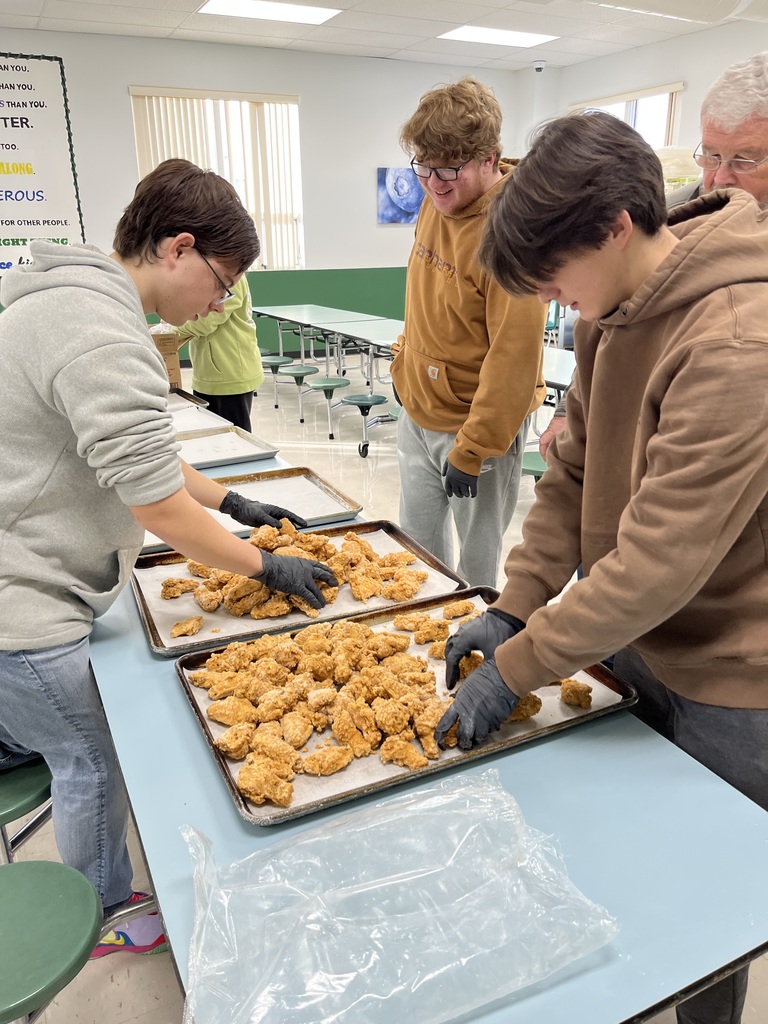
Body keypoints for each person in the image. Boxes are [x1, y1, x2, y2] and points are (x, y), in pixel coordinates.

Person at [435, 110, 768, 1024]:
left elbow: (659, 562)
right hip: (630, 637)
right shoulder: (610, 309)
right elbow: (570, 473)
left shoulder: (738, 339)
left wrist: (515, 667)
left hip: (731, 679)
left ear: (616, 226)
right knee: (610, 851)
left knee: (707, 903)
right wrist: (513, 606)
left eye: (553, 278)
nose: (552, 300)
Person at [0, 159, 336, 958]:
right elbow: (155, 507)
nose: (219, 304)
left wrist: (234, 501)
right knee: (90, 759)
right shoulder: (96, 330)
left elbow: (132, 459)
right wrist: (263, 565)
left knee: (74, 742)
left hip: (26, 576)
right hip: (24, 602)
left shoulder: (74, 300)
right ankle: (103, 915)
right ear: (178, 249)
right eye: (223, 284)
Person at [538, 49, 768, 459]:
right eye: (711, 154)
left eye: (745, 160)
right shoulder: (665, 217)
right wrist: (566, 410)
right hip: (639, 431)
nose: (719, 178)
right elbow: (606, 317)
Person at [390, 76, 547, 588]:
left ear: (489, 159)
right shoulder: (435, 202)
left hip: (475, 427)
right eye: (425, 167)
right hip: (418, 409)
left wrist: (475, 447)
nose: (434, 183)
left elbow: (514, 360)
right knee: (415, 550)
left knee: (475, 570)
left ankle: (471, 658)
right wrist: (402, 363)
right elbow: (425, 304)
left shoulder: (512, 234)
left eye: (449, 169)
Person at [173, 274, 264, 432]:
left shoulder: (232, 278)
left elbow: (206, 321)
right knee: (212, 436)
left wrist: (168, 333)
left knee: (236, 442)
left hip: (231, 374)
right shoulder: (207, 275)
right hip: (207, 374)